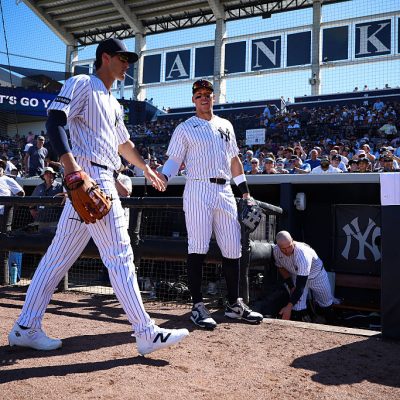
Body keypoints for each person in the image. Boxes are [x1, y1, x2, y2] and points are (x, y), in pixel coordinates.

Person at [8, 38, 188, 355]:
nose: (127, 63)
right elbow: (55, 120)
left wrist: (145, 168)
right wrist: (71, 168)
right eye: (122, 57)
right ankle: (145, 332)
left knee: (55, 260)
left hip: (100, 176)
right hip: (90, 175)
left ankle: (26, 327)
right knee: (120, 255)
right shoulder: (82, 83)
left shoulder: (114, 103)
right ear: (105, 58)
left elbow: (124, 144)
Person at [161, 79, 263, 330]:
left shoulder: (225, 125)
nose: (204, 98)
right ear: (193, 100)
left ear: (214, 97)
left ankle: (234, 304)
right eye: (199, 95)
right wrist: (163, 177)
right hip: (197, 187)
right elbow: (174, 160)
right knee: (198, 247)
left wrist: (246, 193)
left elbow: (235, 160)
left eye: (207, 94)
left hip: (225, 190)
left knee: (233, 249)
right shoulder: (185, 127)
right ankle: (197, 305)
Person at [273, 231, 335, 322]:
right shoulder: (276, 250)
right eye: (283, 248)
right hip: (297, 275)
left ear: (293, 241)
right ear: (278, 246)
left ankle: (332, 325)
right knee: (297, 307)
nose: (287, 250)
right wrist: (291, 286)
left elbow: (300, 287)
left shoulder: (302, 254)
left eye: (289, 246)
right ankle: (300, 331)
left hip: (316, 275)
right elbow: (280, 267)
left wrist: (288, 307)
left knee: (326, 303)